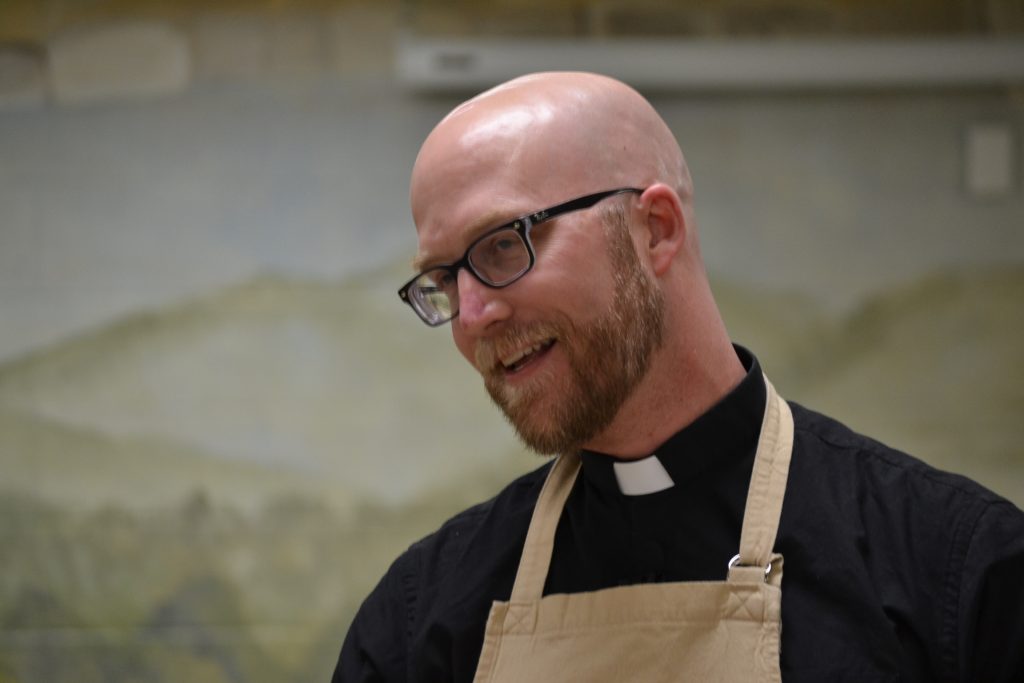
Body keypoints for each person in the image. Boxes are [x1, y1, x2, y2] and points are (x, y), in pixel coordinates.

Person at [333, 72, 1024, 682]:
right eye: (445, 279)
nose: (473, 315)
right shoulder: (418, 621)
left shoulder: (958, 577)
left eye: (503, 245)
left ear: (656, 229)